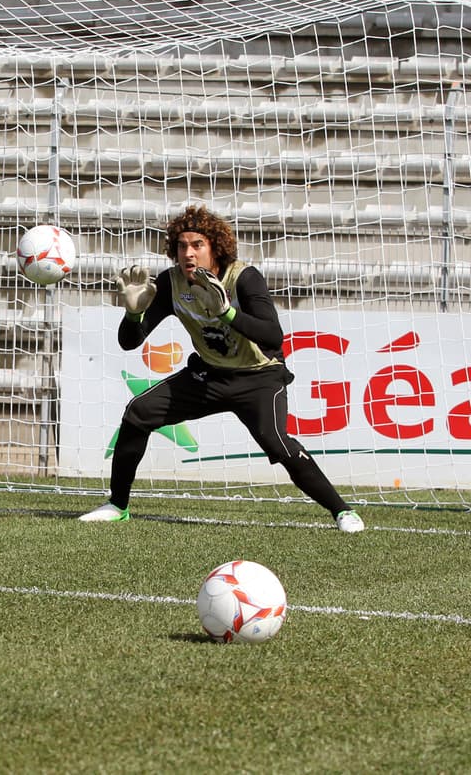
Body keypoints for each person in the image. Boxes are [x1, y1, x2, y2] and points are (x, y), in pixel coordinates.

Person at [80, 204, 365, 533]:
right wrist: (132, 314)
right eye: (182, 246)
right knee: (138, 413)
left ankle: (342, 511)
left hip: (259, 378)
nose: (188, 253)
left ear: (215, 247)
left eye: (197, 245)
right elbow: (130, 343)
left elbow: (273, 336)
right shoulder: (171, 283)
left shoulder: (243, 277)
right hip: (208, 376)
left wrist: (227, 312)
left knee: (277, 443)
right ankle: (118, 505)